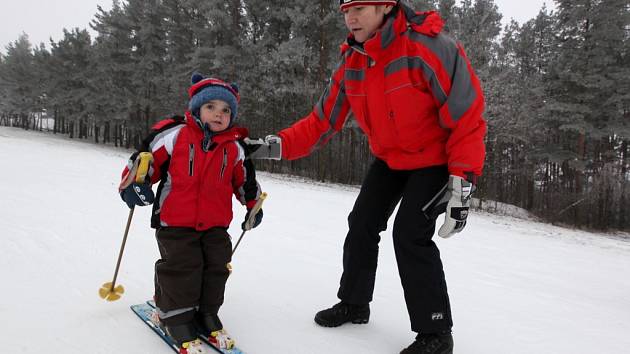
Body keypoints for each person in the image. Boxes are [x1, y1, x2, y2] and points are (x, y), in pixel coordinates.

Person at [245, 1, 486, 353]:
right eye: (346, 10)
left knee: (410, 233)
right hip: (390, 159)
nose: (351, 17)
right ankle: (355, 303)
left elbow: (467, 116)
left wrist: (461, 184)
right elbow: (322, 121)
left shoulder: (429, 47)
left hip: (435, 160)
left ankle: (436, 333)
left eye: (360, 7)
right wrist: (271, 146)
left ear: (386, 6)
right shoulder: (354, 60)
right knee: (361, 223)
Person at [119, 73, 263, 354]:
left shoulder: (234, 147)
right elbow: (143, 161)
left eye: (225, 110)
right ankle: (174, 317)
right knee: (183, 268)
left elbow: (245, 181)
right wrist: (134, 185)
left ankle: (206, 313)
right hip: (175, 221)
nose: (218, 115)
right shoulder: (174, 134)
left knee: (216, 267)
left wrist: (253, 205)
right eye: (211, 108)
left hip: (216, 224)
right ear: (197, 108)